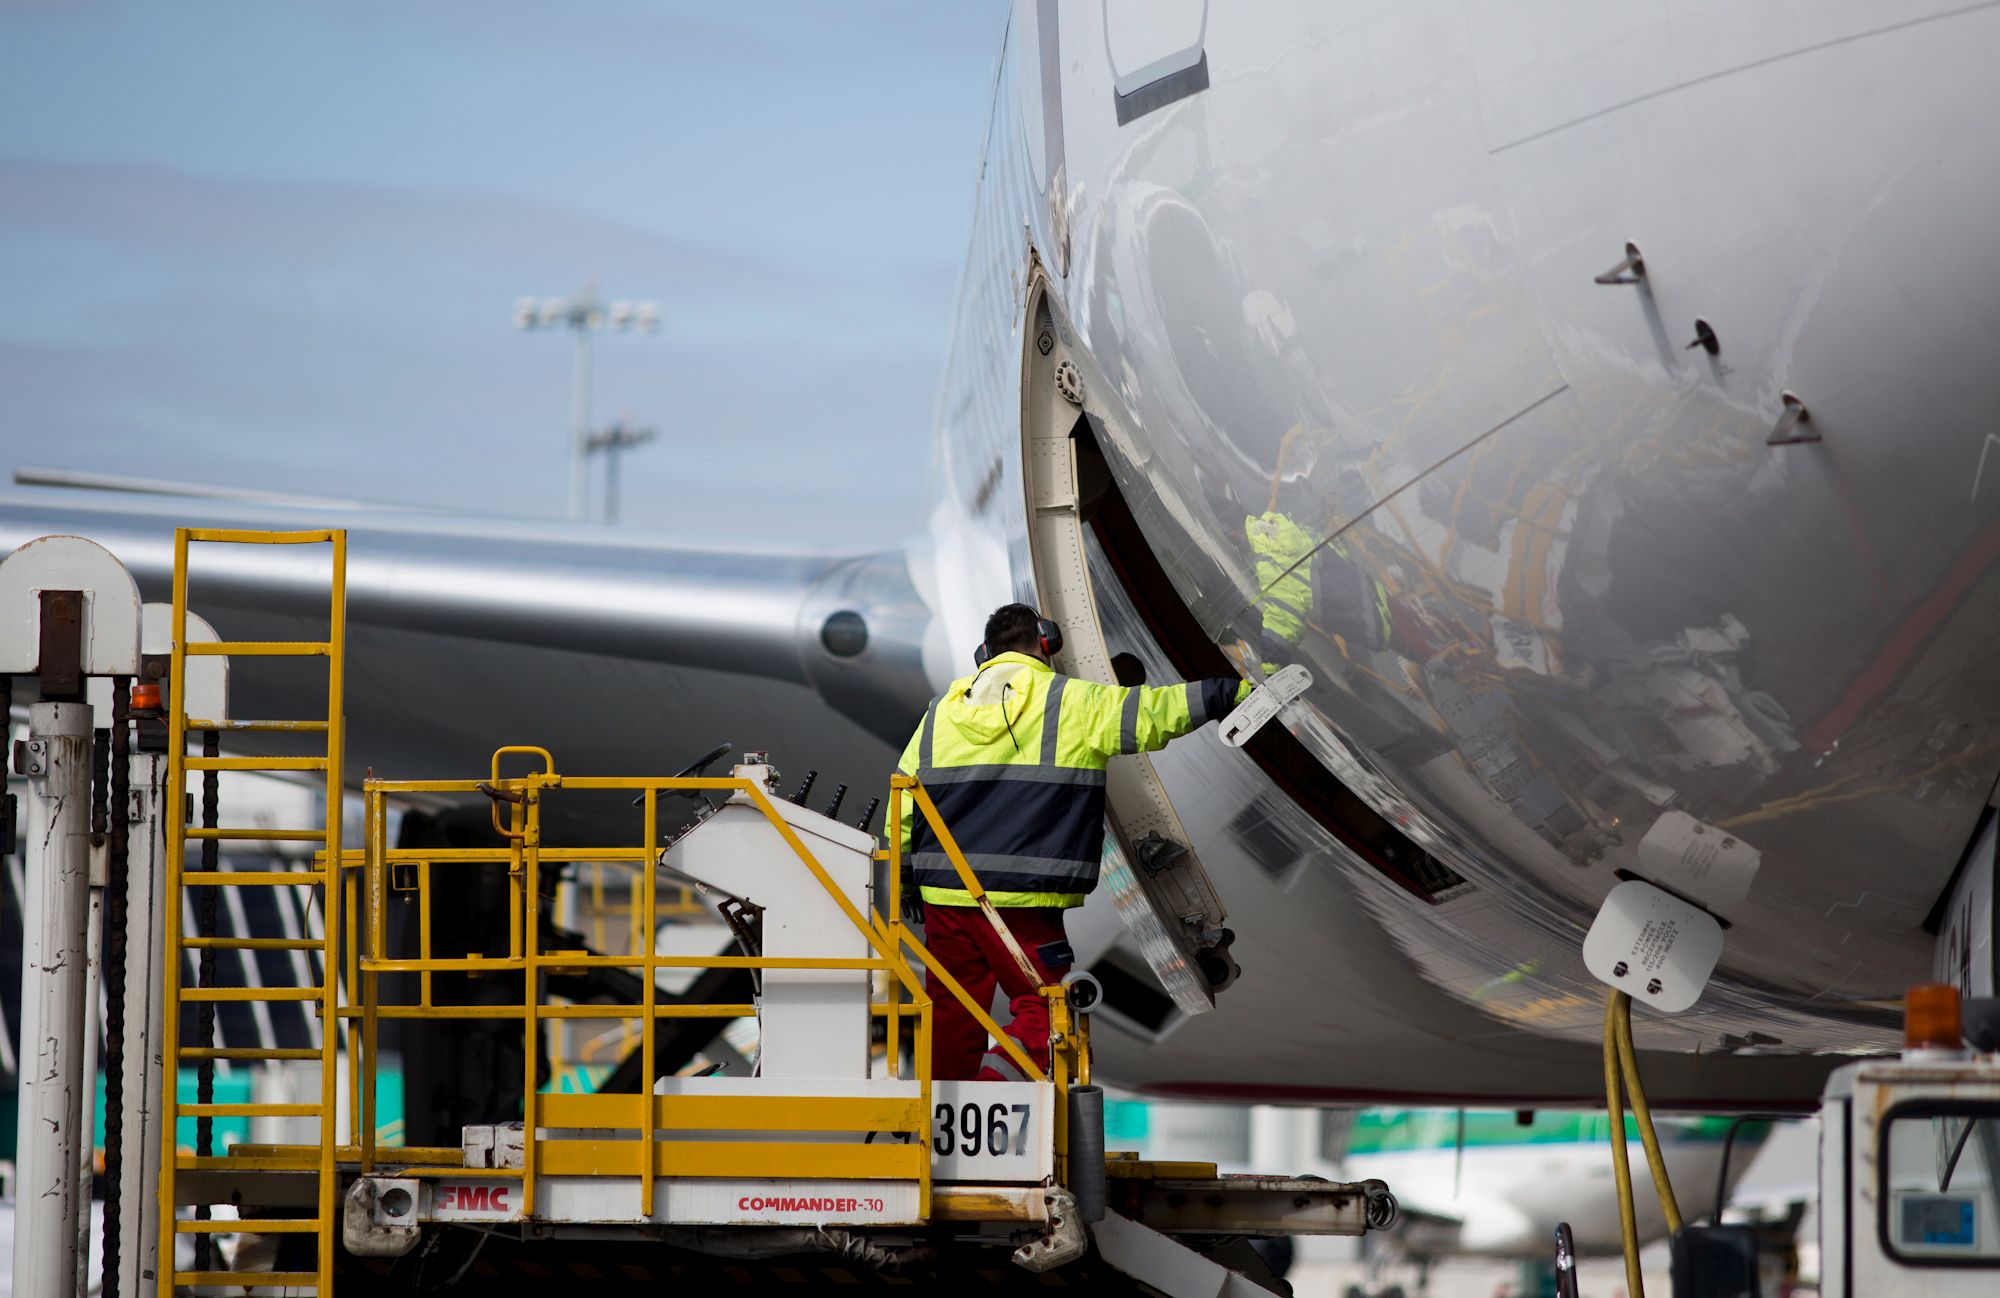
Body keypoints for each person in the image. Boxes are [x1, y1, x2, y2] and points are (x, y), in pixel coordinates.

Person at [895, 602, 1249, 1081]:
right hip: (1022, 903)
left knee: (951, 1017)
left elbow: (903, 795)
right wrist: (1227, 691)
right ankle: (992, 1092)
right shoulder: (1068, 702)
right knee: (1049, 1017)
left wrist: (904, 874)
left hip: (945, 899)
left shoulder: (940, 713)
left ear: (985, 653)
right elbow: (1152, 714)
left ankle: (944, 1129)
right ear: (1047, 642)